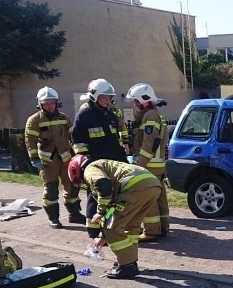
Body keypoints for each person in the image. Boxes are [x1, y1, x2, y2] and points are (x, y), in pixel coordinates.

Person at [67, 154, 161, 279]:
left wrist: (100, 212)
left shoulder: (90, 169)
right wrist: (102, 236)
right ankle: (130, 262)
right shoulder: (104, 163)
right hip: (152, 184)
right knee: (131, 226)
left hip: (134, 187)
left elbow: (103, 186)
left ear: (77, 171)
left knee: (111, 228)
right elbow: (112, 206)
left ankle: (127, 266)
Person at [71, 79, 131, 240]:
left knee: (114, 198)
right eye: (104, 96)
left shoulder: (109, 115)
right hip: (95, 164)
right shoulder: (83, 116)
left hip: (113, 163)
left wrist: (124, 162)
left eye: (109, 97)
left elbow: (114, 141)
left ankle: (108, 227)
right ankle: (93, 230)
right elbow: (78, 143)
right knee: (94, 197)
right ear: (94, 96)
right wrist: (86, 166)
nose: (107, 100)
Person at [25, 86, 85, 229]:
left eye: (52, 103)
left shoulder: (64, 118)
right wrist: (34, 159)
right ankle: (54, 219)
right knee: (51, 191)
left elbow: (73, 136)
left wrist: (78, 154)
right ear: (40, 104)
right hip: (47, 163)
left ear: (57, 103)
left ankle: (74, 214)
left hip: (66, 159)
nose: (50, 106)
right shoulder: (34, 120)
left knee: (72, 188)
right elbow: (30, 141)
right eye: (46, 103)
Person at [125, 83, 168, 241]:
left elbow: (149, 143)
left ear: (142, 101)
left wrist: (139, 165)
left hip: (149, 165)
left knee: (148, 199)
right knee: (160, 197)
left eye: (135, 101)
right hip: (158, 165)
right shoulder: (154, 114)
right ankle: (163, 227)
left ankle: (151, 231)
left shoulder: (149, 116)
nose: (134, 105)